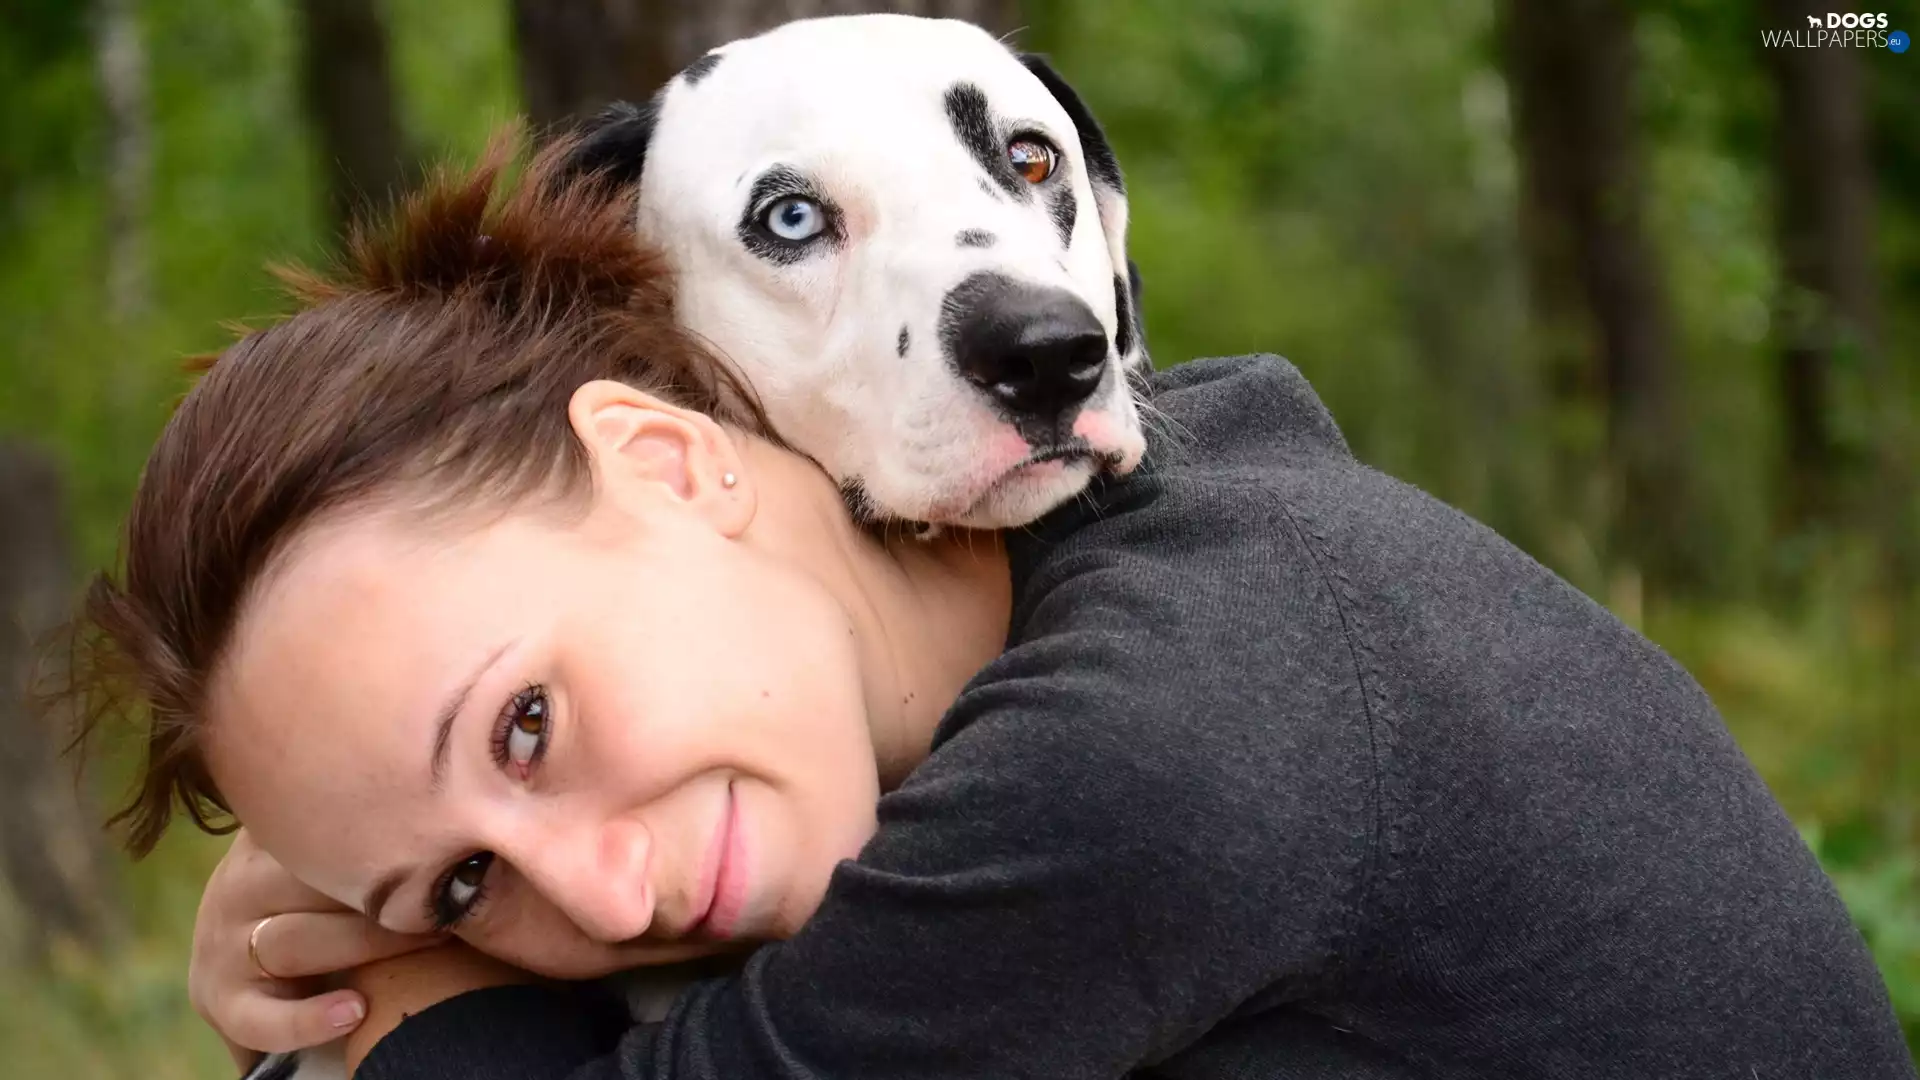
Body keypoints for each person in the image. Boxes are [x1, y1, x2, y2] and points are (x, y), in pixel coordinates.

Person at [65, 131, 1914, 1080]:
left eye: (525, 728)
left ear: (674, 460)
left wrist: (411, 983)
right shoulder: (1091, 548)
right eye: (469, 884)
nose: (601, 900)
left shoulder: (1165, 739)